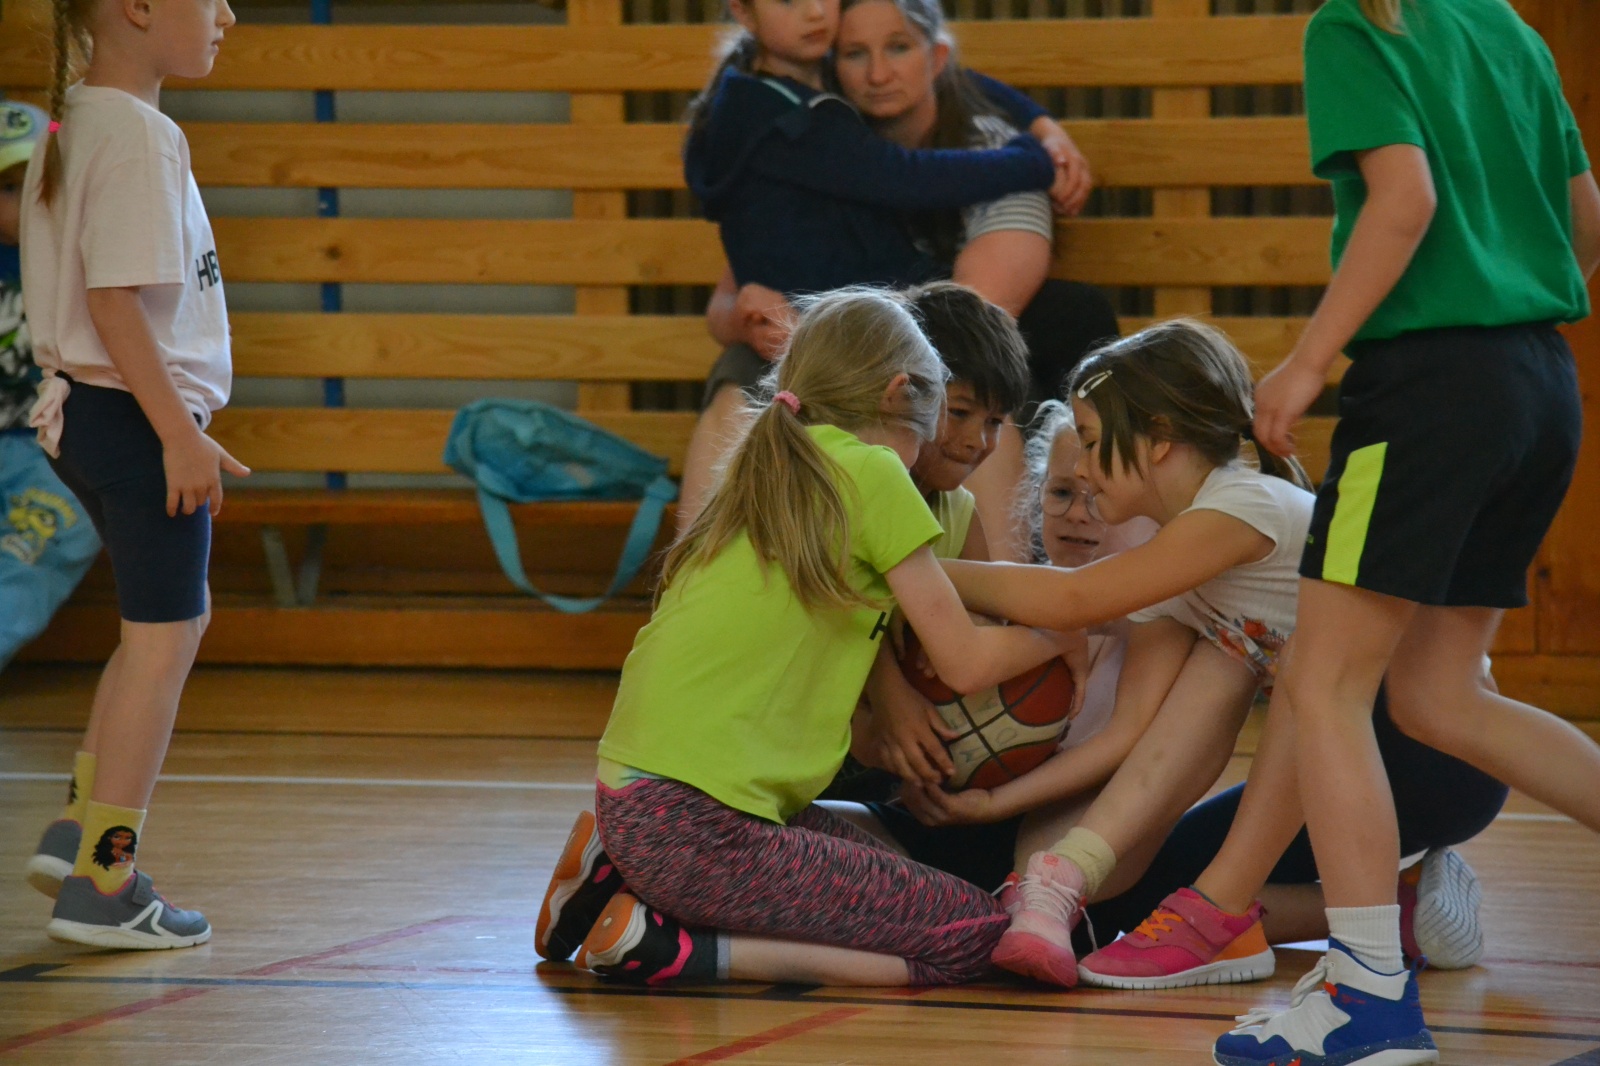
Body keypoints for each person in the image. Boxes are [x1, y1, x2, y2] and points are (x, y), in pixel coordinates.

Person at [1210, 0, 1600, 1062]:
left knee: (1323, 684)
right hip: (1539, 379)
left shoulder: (1355, 23)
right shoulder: (1507, 29)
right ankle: (1368, 988)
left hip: (1430, 386)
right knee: (1436, 694)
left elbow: (1405, 197)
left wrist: (1307, 362)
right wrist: (1508, 309)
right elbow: (1586, 219)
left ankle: (1370, 998)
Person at [537, 288, 1070, 987]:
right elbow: (966, 663)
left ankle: (613, 880)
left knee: (902, 881)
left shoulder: (773, 465)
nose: (948, 442)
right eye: (944, 417)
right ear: (898, 395)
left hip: (644, 803)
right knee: (974, 937)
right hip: (699, 825)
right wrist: (1065, 635)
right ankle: (670, 947)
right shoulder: (874, 471)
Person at [932, 319, 1315, 989]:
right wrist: (998, 806)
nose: (1081, 467)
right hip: (1336, 756)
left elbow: (1072, 599)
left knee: (1168, 871)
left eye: (1089, 441)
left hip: (1403, 748)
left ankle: (1324, 909)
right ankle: (1059, 880)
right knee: (1223, 667)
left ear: (1159, 440)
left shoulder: (1245, 504)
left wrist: (913, 568)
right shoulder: (1184, 572)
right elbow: (1136, 735)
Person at [677, 0, 1094, 531]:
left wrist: (1043, 132)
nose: (877, 74)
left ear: (935, 57)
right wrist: (751, 315)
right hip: (826, 337)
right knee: (741, 377)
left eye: (898, 48)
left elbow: (972, 318)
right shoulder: (805, 123)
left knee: (970, 387)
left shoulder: (977, 145)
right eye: (855, 53)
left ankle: (990, 579)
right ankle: (699, 569)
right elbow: (730, 298)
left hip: (925, 345)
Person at [17, 0, 247, 949]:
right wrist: (178, 436)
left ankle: (76, 830)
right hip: (130, 417)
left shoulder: (77, 119)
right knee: (165, 641)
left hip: (89, 416)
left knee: (161, 626)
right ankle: (104, 883)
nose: (227, 13)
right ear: (140, 8)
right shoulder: (139, 135)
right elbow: (114, 304)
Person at [1, 100, 101, 673]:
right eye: (7, 189)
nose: (25, 203)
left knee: (48, 535)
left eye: (39, 184)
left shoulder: (86, 264)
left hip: (54, 451)